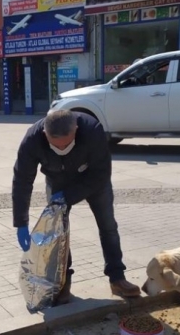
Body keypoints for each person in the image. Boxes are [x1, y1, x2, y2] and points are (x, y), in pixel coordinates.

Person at [12, 109, 141, 304]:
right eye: (56, 146)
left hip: (93, 180)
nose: (62, 149)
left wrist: (69, 196)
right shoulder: (32, 140)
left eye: (67, 144)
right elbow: (22, 180)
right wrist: (21, 222)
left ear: (76, 130)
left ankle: (117, 278)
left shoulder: (92, 130)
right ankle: (63, 283)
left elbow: (101, 173)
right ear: (45, 134)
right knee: (58, 232)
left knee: (108, 226)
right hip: (57, 181)